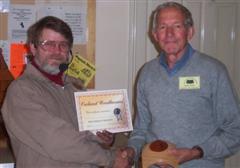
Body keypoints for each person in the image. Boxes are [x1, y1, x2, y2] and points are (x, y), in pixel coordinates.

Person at [1, 16, 132, 168]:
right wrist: (110, 158)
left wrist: (104, 138)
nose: (57, 51)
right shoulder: (21, 91)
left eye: (63, 45)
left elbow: (86, 133)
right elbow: (57, 140)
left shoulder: (75, 87)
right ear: (33, 47)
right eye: (48, 44)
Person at [127, 2, 240, 168]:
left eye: (177, 26)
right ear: (155, 35)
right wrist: (130, 151)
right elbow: (140, 130)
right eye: (163, 27)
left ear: (190, 32)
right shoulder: (146, 73)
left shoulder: (213, 71)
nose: (170, 34)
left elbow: (235, 131)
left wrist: (195, 152)